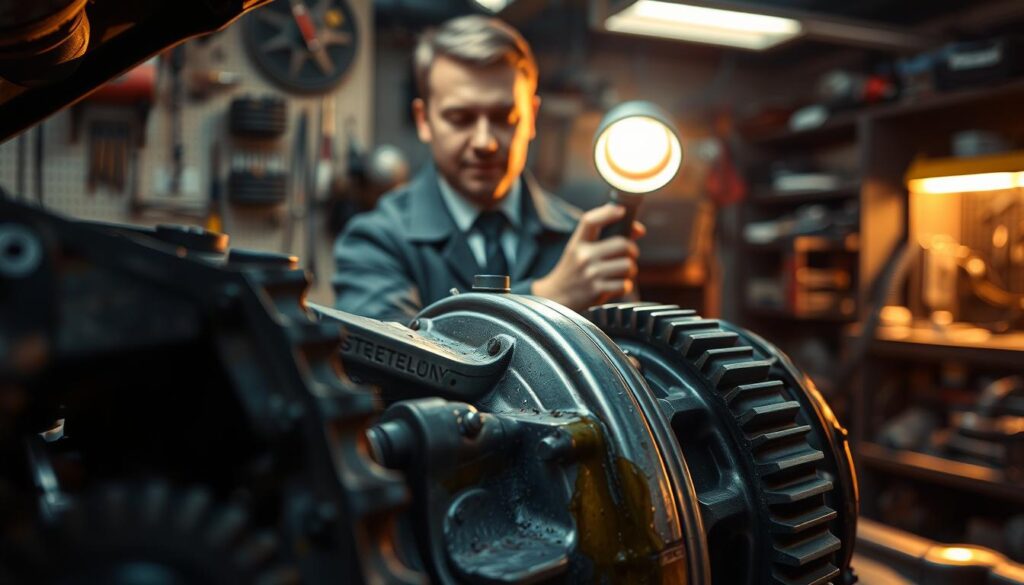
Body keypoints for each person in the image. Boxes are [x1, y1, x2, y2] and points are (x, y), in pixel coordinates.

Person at [332, 14, 644, 323]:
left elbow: (627, 365)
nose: (485, 142)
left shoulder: (582, 249)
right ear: (423, 120)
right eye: (460, 118)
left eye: (503, 117)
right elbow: (390, 362)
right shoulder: (375, 241)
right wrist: (549, 298)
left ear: (531, 116)